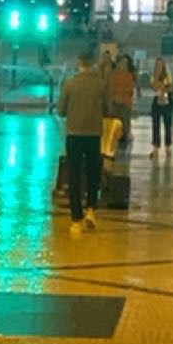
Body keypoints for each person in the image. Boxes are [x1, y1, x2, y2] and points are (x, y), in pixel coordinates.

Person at [58, 49, 105, 236]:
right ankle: (91, 210)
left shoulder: (70, 84)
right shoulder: (101, 85)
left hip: (74, 134)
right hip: (94, 134)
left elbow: (61, 110)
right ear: (94, 63)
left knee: (74, 176)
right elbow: (108, 108)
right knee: (93, 174)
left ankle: (76, 219)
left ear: (79, 62)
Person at [102, 50, 138, 156]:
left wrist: (121, 96)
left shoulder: (129, 76)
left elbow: (130, 90)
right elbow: (110, 88)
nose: (123, 66)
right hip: (115, 103)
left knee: (124, 125)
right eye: (121, 63)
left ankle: (123, 143)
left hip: (125, 104)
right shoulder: (113, 75)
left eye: (125, 64)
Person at [149, 56, 173, 153]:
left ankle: (168, 145)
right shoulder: (153, 75)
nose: (159, 66)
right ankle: (156, 145)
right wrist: (160, 83)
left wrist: (161, 87)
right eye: (157, 64)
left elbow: (171, 88)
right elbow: (154, 87)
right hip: (157, 100)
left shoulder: (168, 75)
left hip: (167, 100)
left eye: (161, 64)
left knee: (168, 124)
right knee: (155, 124)